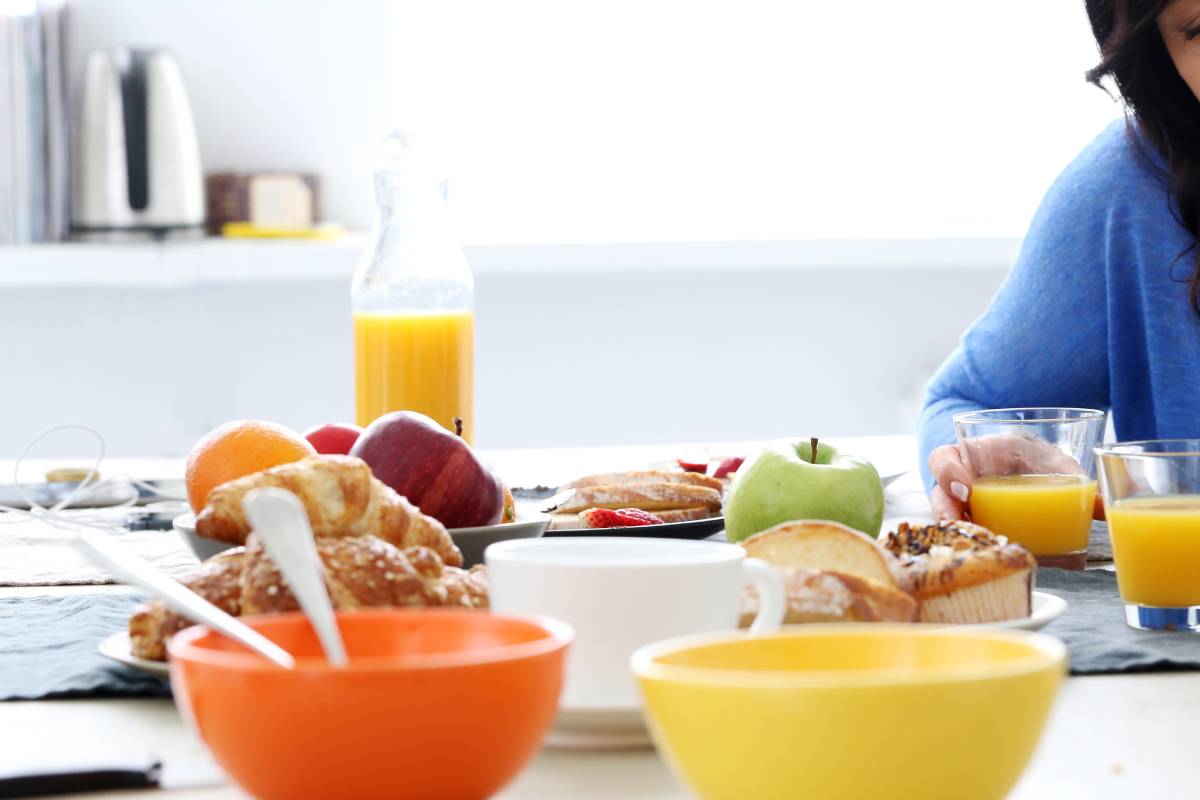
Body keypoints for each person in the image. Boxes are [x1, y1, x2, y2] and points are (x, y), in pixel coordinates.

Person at [920, 0, 1200, 522]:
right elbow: (964, 404)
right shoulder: (1133, 188)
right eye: (1199, 29)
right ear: (1162, 53)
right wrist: (991, 462)